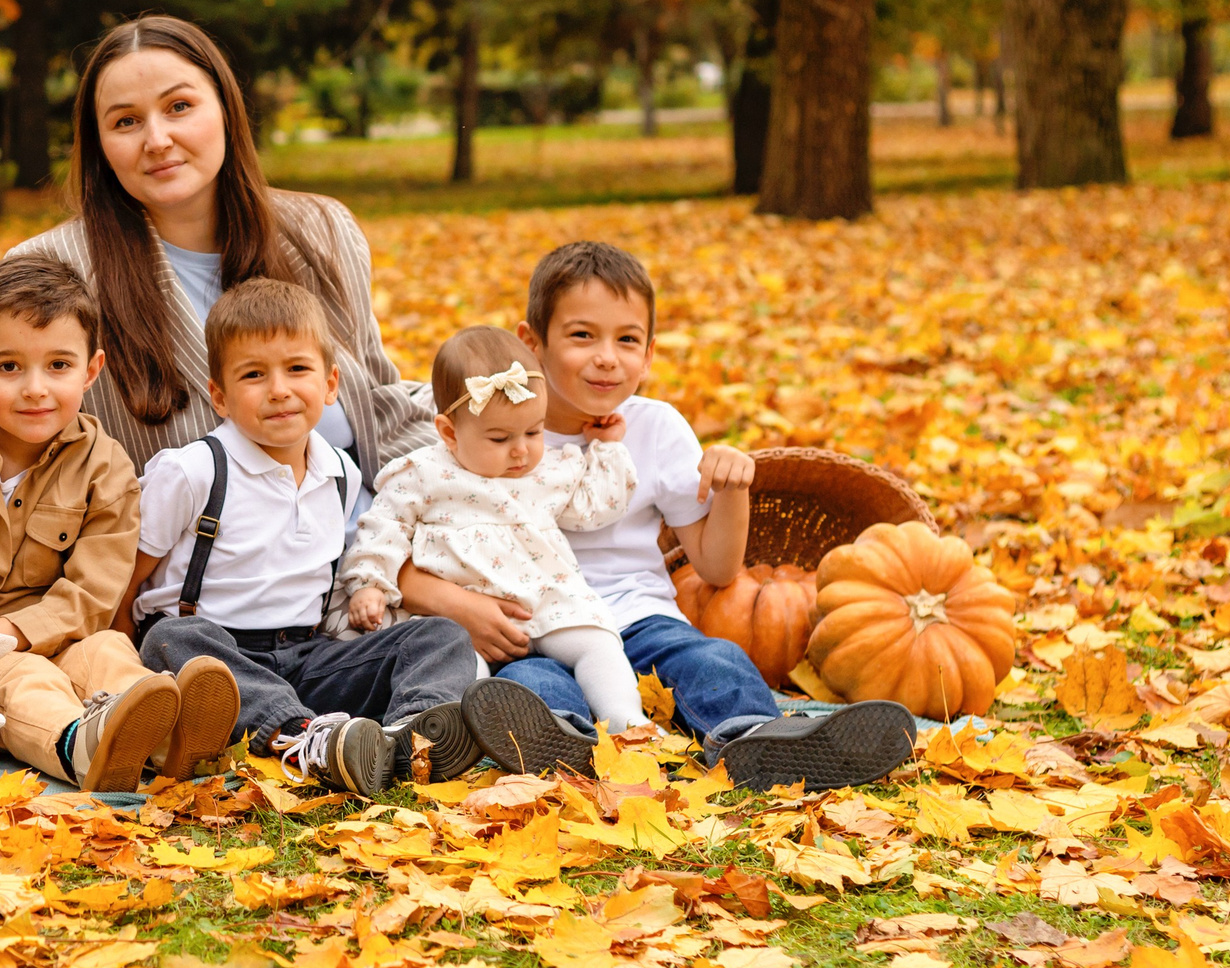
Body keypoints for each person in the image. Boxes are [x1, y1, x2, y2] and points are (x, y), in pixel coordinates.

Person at [398, 241, 918, 790]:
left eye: (627, 340)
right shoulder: (490, 433)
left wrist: (732, 490)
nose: (607, 357)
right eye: (582, 335)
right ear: (531, 343)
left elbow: (717, 569)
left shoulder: (656, 427)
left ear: (648, 355)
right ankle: (564, 746)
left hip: (638, 616)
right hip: (534, 624)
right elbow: (415, 537)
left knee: (712, 658)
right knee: (533, 681)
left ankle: (757, 740)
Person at [10, 14, 433, 484]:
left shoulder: (323, 230)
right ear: (100, 144)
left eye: (179, 107)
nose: (157, 140)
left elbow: (381, 409)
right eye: (126, 121)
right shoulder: (50, 272)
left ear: (226, 110)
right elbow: (27, 465)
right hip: (188, 552)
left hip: (370, 531)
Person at [117, 278, 486, 796]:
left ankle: (410, 739)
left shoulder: (340, 472)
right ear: (219, 396)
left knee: (440, 636)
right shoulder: (195, 470)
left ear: (331, 384)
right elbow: (124, 578)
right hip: (217, 660)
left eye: (297, 369)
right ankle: (306, 738)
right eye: (254, 375)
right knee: (169, 639)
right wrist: (117, 663)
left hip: (308, 656)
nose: (279, 389)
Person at [0, 257, 239, 791]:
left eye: (58, 366)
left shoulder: (105, 465)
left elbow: (95, 592)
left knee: (109, 653)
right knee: (24, 681)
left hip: (70, 630)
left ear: (91, 370)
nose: (34, 388)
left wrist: (20, 629)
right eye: (8, 367)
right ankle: (83, 744)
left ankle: (173, 734)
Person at [339, 326, 650, 737]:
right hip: (461, 619)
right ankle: (446, 735)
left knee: (598, 641)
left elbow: (597, 507)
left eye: (534, 432)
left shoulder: (550, 470)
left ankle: (629, 722)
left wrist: (607, 447)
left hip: (545, 602)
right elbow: (384, 527)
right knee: (454, 666)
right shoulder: (424, 473)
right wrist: (369, 583)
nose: (521, 450)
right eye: (500, 438)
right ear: (450, 433)